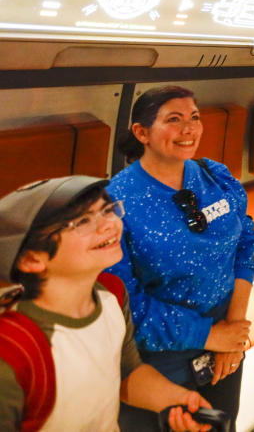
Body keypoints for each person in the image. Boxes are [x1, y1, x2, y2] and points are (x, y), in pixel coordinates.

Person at [0, 175, 210, 431]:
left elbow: (126, 372)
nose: (109, 225)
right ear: (32, 259)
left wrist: (178, 399)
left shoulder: (111, 293)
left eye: (108, 210)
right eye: (83, 221)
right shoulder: (12, 351)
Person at [107, 86, 254, 430]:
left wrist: (233, 334)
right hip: (160, 369)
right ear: (141, 133)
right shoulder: (115, 202)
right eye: (173, 120)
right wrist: (211, 335)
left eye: (194, 117)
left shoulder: (214, 176)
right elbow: (125, 306)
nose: (189, 129)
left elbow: (246, 245)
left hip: (225, 352)